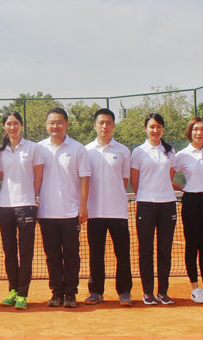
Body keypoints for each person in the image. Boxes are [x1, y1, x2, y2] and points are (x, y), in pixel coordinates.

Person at [37, 107, 90, 309]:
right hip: (46, 213)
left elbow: (85, 178)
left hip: (71, 213)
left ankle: (70, 293)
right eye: (51, 122)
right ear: (46, 125)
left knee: (71, 255)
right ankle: (56, 293)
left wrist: (82, 207)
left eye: (59, 122)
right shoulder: (38, 148)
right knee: (52, 256)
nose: (55, 126)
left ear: (66, 125)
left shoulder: (78, 148)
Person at [130, 113, 183, 305]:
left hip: (168, 205)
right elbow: (134, 180)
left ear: (163, 129)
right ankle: (148, 293)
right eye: (152, 127)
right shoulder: (138, 152)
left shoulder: (170, 151)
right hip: (146, 206)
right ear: (145, 129)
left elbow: (169, 176)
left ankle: (163, 292)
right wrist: (145, 196)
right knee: (146, 250)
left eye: (159, 127)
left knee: (165, 250)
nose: (155, 130)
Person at [84, 108, 133, 307]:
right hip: (94, 212)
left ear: (113, 125)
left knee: (123, 254)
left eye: (109, 122)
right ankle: (96, 291)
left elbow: (124, 180)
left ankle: (124, 292)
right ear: (95, 125)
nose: (105, 126)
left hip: (118, 212)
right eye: (101, 122)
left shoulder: (123, 151)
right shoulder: (85, 151)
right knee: (96, 254)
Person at [0, 111, 43, 310]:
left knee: (26, 252)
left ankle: (23, 294)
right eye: (9, 124)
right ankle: (13, 290)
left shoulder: (33, 148)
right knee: (9, 252)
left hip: (26, 206)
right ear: (4, 127)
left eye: (16, 123)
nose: (12, 127)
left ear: (21, 125)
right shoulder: (0, 151)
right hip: (4, 207)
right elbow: (3, 176)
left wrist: (30, 197)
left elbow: (38, 177)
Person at [172, 117, 203, 304]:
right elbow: (167, 177)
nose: (199, 133)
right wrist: (184, 188)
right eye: (195, 129)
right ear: (190, 132)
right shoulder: (182, 155)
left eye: (202, 129)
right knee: (192, 246)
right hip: (191, 201)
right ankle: (195, 288)